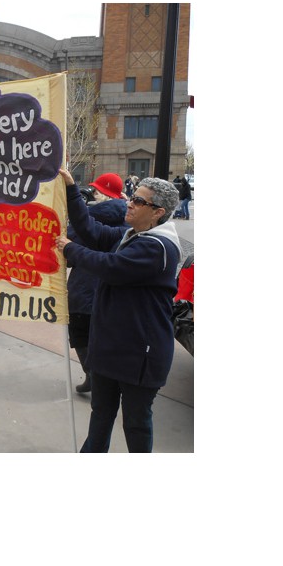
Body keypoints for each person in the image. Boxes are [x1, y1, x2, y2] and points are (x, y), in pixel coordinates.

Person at [56, 168, 182, 453]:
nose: (130, 203)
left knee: (136, 423)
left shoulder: (159, 247)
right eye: (133, 198)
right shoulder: (131, 234)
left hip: (140, 355)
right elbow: (90, 230)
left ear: (157, 212)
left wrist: (70, 249)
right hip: (110, 348)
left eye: (139, 202)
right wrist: (71, 189)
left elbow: (111, 268)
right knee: (101, 415)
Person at [67, 173, 128, 395]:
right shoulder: (129, 219)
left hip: (83, 289)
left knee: (80, 335)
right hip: (110, 293)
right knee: (102, 338)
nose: (92, 193)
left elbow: (69, 255)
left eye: (95, 190)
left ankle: (93, 375)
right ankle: (101, 377)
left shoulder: (88, 219)